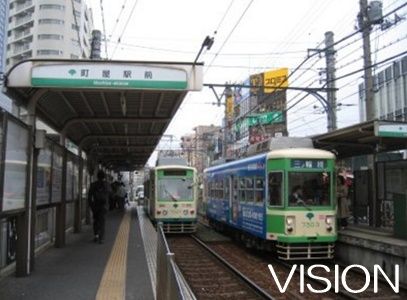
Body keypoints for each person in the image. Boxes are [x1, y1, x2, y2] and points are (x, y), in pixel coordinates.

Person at [88, 170, 110, 244]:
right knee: (102, 222)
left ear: (97, 176)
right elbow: (110, 195)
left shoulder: (93, 184)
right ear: (104, 177)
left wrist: (91, 205)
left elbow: (89, 196)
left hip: (95, 206)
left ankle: (96, 236)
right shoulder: (107, 185)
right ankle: (101, 239)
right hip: (104, 206)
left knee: (96, 221)